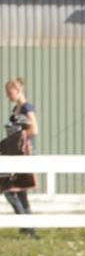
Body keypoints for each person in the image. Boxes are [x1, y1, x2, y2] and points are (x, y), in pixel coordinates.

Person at [2, 77, 38, 237]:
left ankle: (26, 225)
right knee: (20, 192)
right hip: (14, 152)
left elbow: (34, 129)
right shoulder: (15, 110)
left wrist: (20, 139)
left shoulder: (26, 108)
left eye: (10, 93)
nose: (8, 96)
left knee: (10, 190)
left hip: (23, 152)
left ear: (18, 91)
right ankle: (29, 227)